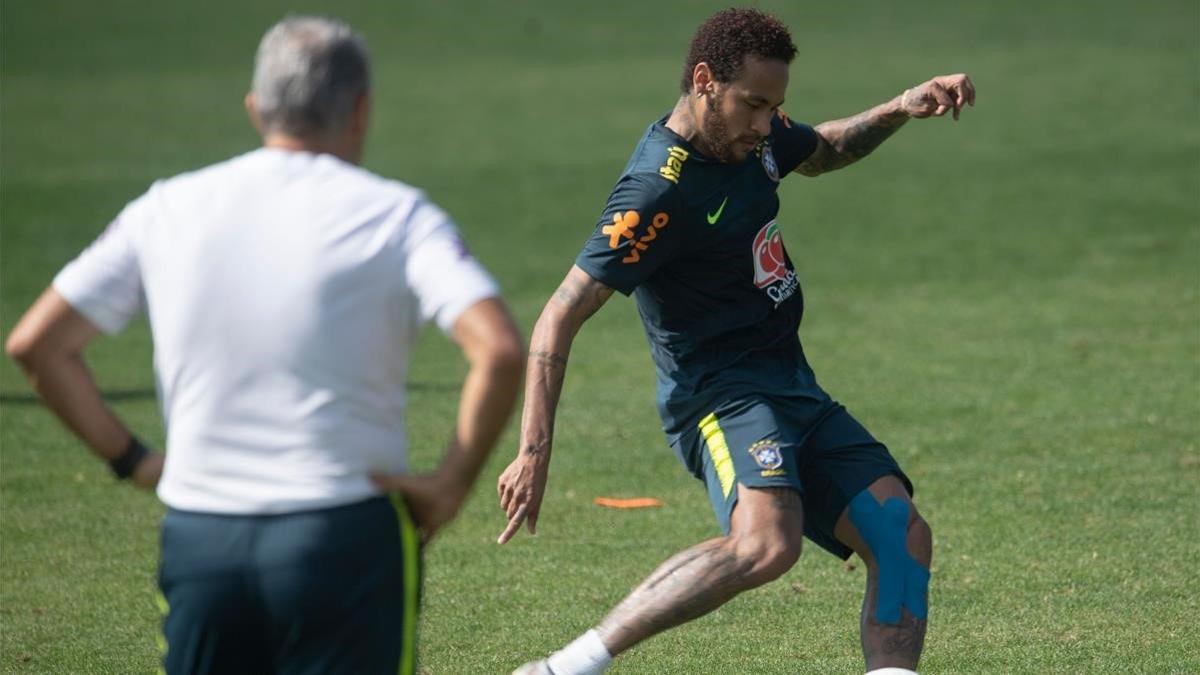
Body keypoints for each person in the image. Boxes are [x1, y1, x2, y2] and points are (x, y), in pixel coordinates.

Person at [5, 16, 523, 675]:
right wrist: (449, 484)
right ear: (360, 111)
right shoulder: (396, 215)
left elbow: (36, 345)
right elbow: (500, 349)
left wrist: (136, 461)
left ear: (256, 109)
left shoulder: (167, 207)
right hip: (342, 533)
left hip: (201, 535)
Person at [497, 8, 974, 675]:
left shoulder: (757, 137)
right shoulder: (657, 192)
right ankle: (563, 668)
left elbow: (824, 148)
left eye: (775, 106)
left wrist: (902, 105)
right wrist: (532, 451)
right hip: (721, 397)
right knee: (765, 544)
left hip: (792, 384)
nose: (765, 123)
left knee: (901, 534)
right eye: (753, 104)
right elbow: (560, 313)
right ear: (702, 81)